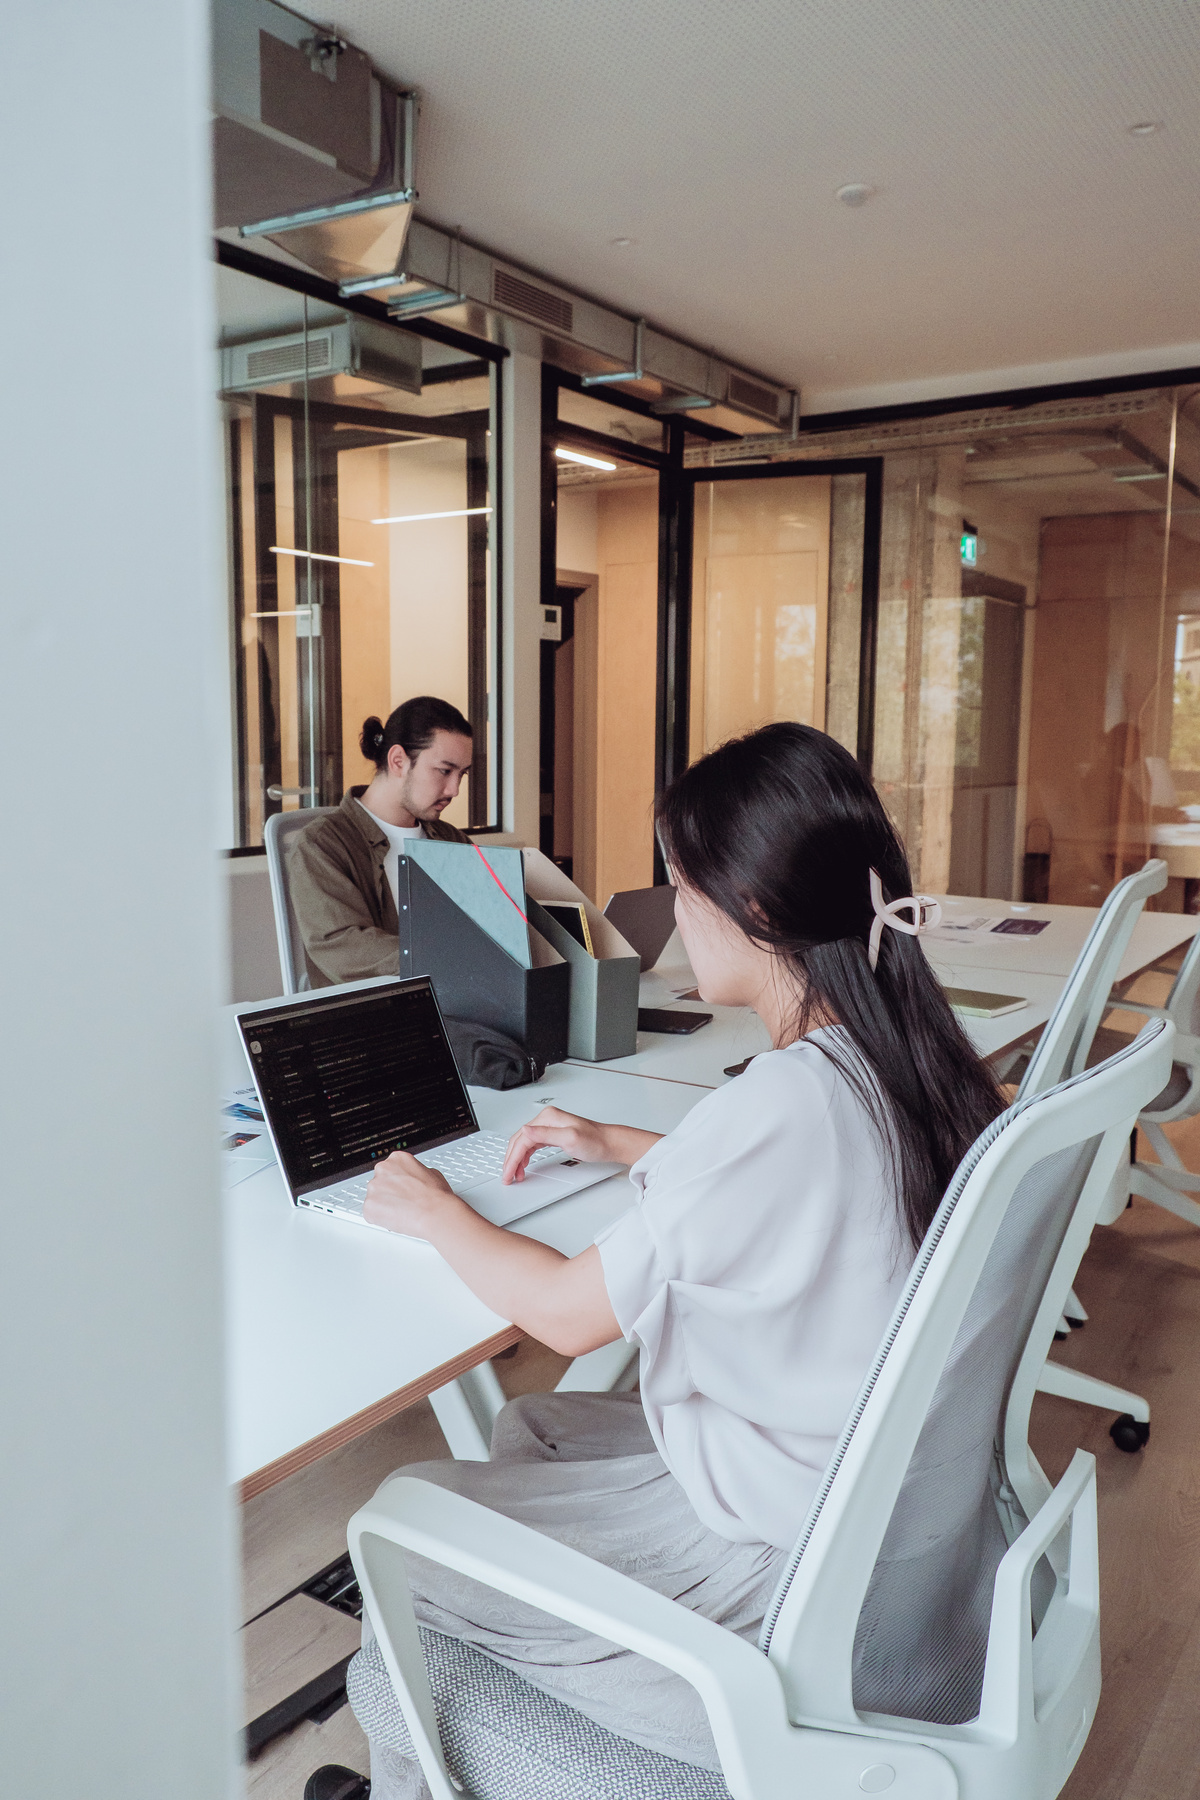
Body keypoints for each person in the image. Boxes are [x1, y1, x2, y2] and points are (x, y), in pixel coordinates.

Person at [345, 721, 1005, 1797]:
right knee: (530, 1424)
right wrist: (634, 1147)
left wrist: (434, 1210)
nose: (670, 916)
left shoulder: (777, 1103)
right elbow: (824, 1174)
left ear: (749, 909)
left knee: (401, 1514)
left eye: (679, 889)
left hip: (763, 1589)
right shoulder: (906, 1054)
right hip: (879, 1543)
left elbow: (562, 1317)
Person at [286, 695, 473, 988]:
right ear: (398, 761)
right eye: (444, 771)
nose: (455, 789)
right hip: (377, 1016)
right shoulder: (322, 844)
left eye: (462, 774)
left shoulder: (453, 840)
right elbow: (343, 947)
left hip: (458, 1003)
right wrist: (443, 957)